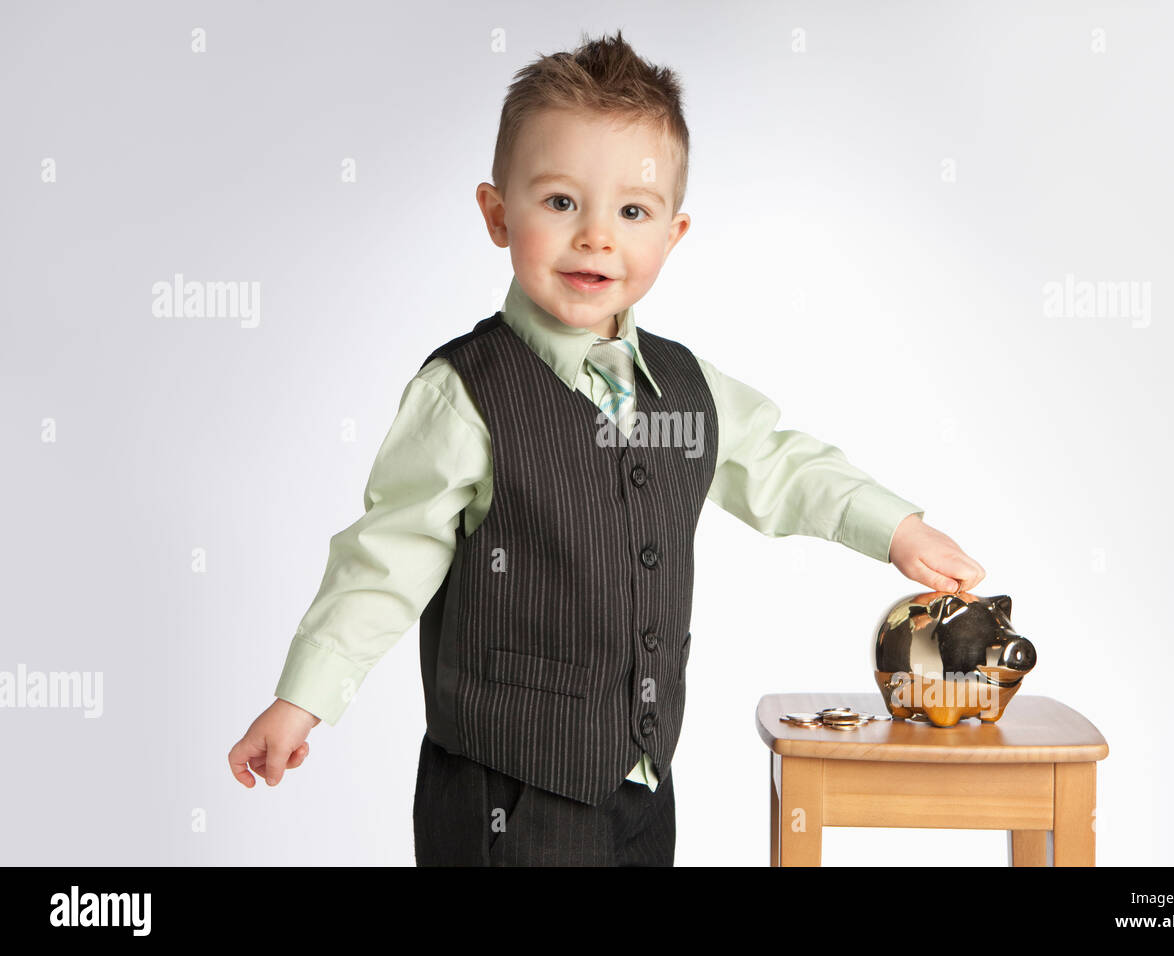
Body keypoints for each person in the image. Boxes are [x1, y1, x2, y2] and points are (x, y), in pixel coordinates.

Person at [228, 29, 984, 866]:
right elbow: (386, 557)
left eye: (632, 212)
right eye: (559, 203)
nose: (597, 237)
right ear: (495, 213)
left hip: (640, 782)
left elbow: (781, 464)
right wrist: (303, 699)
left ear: (673, 233)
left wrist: (897, 528)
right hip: (502, 789)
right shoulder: (465, 392)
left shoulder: (687, 387)